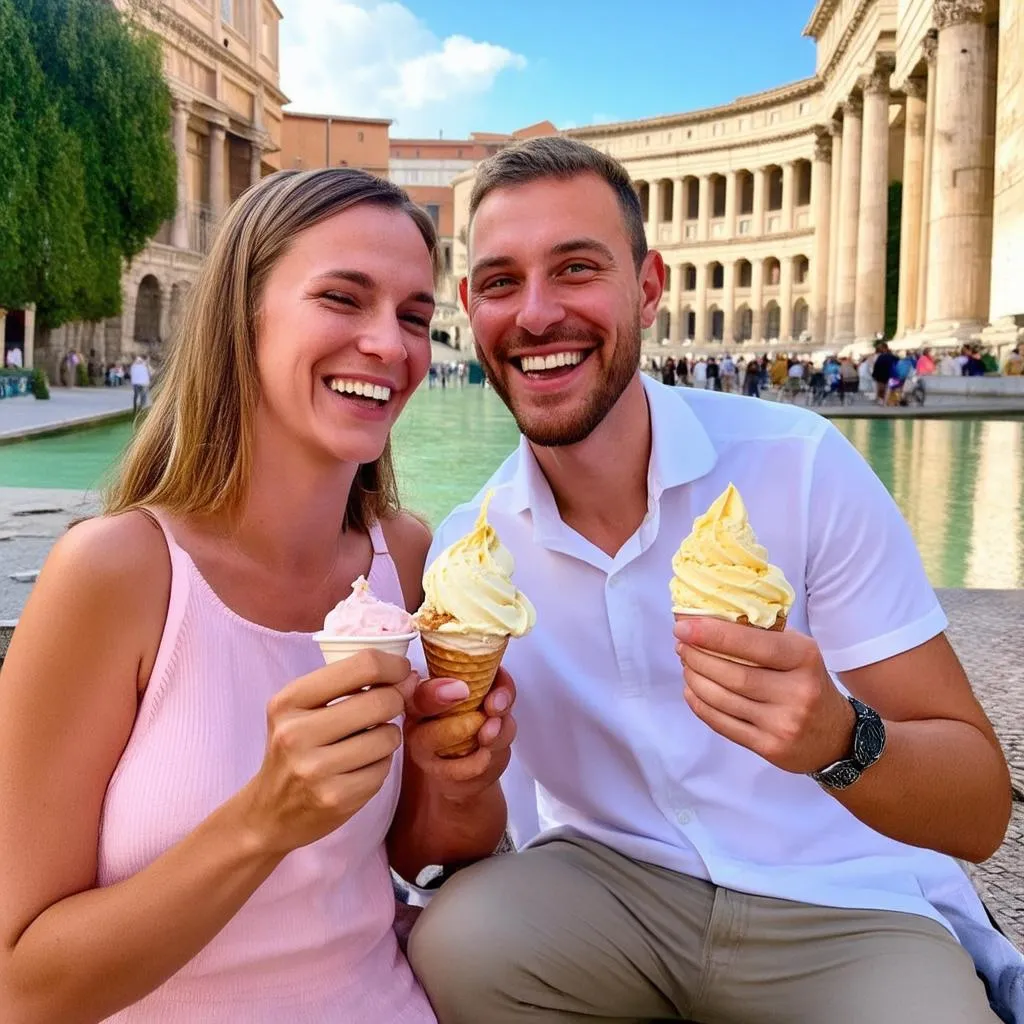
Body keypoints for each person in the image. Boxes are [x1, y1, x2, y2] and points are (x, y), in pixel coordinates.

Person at [408, 136, 1019, 1024]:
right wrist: (455, 780)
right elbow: (459, 846)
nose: (536, 315)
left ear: (649, 288)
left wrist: (838, 739)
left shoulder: (799, 466)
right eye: (502, 282)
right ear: (470, 307)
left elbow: (980, 810)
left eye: (576, 269)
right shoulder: (472, 550)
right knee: (454, 944)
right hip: (610, 889)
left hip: (839, 900)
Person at [0, 168, 516, 1023]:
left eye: (415, 318)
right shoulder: (116, 576)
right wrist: (264, 819)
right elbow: (21, 989)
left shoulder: (413, 557)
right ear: (243, 315)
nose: (391, 344)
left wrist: (456, 778)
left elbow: (421, 856)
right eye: (344, 299)